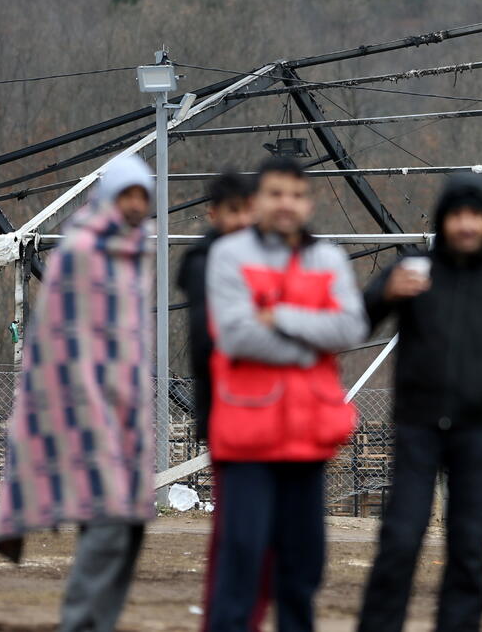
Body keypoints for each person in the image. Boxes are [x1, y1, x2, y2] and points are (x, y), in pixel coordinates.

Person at [357, 173, 482, 632]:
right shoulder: (414, 270)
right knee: (400, 537)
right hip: (416, 425)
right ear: (444, 220)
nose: (466, 226)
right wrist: (385, 292)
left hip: (473, 430)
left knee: (467, 546)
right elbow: (360, 320)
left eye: (475, 216)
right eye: (457, 215)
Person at [0, 154, 157, 632]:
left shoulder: (132, 254)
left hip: (123, 416)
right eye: (126, 194)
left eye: (142, 196)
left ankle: (94, 623)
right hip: (85, 413)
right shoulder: (83, 251)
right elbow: (62, 340)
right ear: (109, 197)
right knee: (109, 526)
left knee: (128, 529)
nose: (133, 205)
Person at [204, 156, 368, 632]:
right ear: (257, 202)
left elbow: (351, 326)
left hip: (307, 438)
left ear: (308, 203)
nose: (286, 205)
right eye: (275, 194)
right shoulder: (230, 256)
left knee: (303, 571)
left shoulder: (329, 258)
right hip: (247, 438)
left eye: (296, 195)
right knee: (243, 562)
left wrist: (281, 318)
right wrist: (308, 350)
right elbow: (236, 335)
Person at [174, 172, 268, 632]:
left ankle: (243, 617)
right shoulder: (204, 263)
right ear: (214, 214)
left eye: (246, 210)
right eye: (232, 211)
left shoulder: (265, 257)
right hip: (228, 414)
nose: (241, 220)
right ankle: (225, 620)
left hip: (267, 413)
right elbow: (211, 344)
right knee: (236, 532)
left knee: (262, 534)